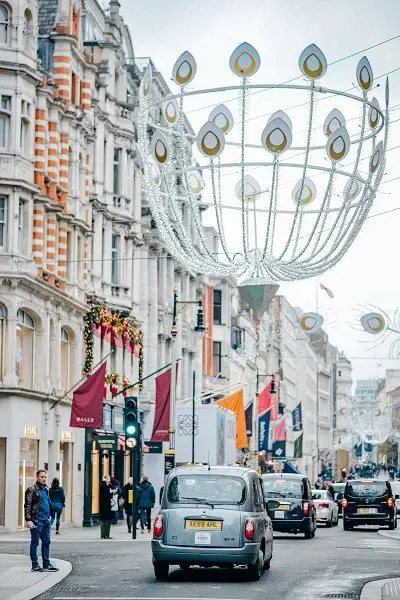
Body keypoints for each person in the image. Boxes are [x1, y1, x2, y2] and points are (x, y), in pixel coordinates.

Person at [24, 469, 58, 573]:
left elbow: (47, 503)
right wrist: (28, 520)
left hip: (46, 520)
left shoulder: (46, 489)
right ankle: (35, 565)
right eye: (41, 477)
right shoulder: (32, 489)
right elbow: (28, 506)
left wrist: (50, 516)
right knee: (35, 543)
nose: (43, 479)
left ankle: (46, 564)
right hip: (36, 520)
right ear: (37, 477)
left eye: (45, 477)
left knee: (46, 542)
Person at [99, 475, 113, 539]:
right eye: (107, 478)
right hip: (103, 505)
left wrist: (112, 492)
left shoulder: (110, 486)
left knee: (108, 520)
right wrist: (109, 492)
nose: (109, 480)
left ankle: (107, 534)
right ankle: (103, 535)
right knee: (103, 520)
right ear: (104, 479)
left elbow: (110, 496)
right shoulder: (102, 486)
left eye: (109, 478)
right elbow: (104, 495)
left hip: (108, 505)